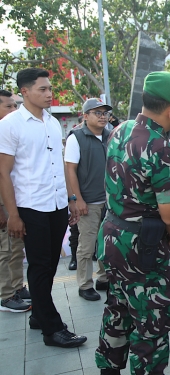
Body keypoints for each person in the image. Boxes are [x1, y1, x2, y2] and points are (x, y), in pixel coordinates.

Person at [95, 72, 170, 375]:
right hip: (143, 249)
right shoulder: (161, 147)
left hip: (111, 238)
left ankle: (107, 369)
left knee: (118, 309)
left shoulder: (120, 130)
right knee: (151, 323)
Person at [0, 68, 86, 347]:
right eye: (42, 89)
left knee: (49, 265)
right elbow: (3, 172)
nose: (49, 94)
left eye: (50, 88)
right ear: (24, 92)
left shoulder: (51, 122)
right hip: (30, 205)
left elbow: (60, 165)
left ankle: (38, 314)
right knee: (39, 266)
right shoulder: (11, 124)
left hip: (57, 203)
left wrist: (71, 199)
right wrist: (12, 214)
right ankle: (52, 328)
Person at [64, 98, 111, 302]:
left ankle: (103, 278)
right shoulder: (77, 137)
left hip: (110, 201)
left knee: (106, 243)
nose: (102, 117)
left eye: (105, 113)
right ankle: (84, 284)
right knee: (87, 244)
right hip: (88, 201)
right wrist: (76, 199)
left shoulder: (111, 135)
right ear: (85, 116)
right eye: (97, 113)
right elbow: (70, 171)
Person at [0, 89, 30, 313]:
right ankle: (5, 294)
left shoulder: (11, 132)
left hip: (16, 201)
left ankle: (17, 287)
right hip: (3, 205)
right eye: (8, 106)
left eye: (14, 105)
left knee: (17, 247)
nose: (13, 110)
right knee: (5, 250)